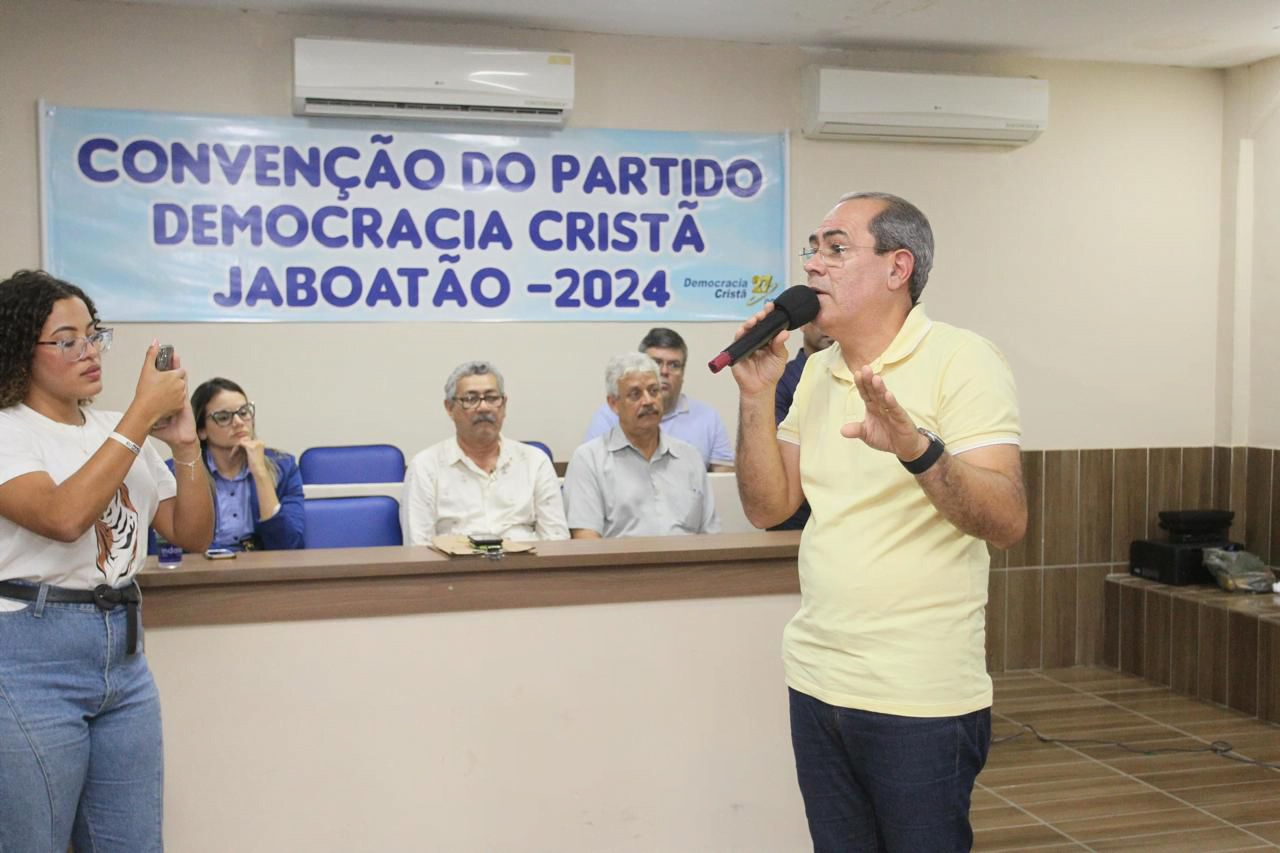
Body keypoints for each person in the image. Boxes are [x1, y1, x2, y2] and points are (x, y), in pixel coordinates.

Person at [731, 192, 1026, 851]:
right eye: (812, 249)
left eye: (836, 249)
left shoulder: (963, 358)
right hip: (817, 678)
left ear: (898, 268)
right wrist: (756, 395)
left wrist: (916, 449)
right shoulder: (815, 371)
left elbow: (1007, 520)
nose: (813, 265)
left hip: (918, 692)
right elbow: (768, 508)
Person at [0, 270, 214, 852]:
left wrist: (186, 445)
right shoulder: (11, 430)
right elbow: (62, 516)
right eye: (66, 340)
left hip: (123, 653)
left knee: (132, 842)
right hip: (29, 654)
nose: (89, 351)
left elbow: (191, 532)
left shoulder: (113, 429)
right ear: (20, 349)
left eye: (94, 335)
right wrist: (140, 416)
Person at [401, 361, 568, 544]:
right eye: (470, 399)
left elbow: (557, 540)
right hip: (454, 562)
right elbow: (418, 546)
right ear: (449, 408)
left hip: (525, 561)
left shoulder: (535, 462)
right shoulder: (425, 467)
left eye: (491, 398)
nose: (483, 407)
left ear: (504, 405)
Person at [565, 352, 720, 538]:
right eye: (635, 394)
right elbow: (586, 540)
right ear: (614, 404)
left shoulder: (690, 457)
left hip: (688, 557)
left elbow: (711, 534)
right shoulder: (589, 460)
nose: (648, 401)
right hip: (622, 557)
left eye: (654, 391)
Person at [582, 327, 734, 471]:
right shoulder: (608, 415)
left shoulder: (708, 418)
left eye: (674, 365)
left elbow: (723, 481)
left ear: (682, 373)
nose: (664, 371)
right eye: (656, 363)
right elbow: (591, 469)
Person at [190, 377, 305, 551]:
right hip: (206, 565)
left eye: (244, 412)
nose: (238, 422)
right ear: (201, 431)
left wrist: (260, 473)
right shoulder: (180, 473)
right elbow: (182, 546)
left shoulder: (283, 467)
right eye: (223, 417)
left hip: (265, 566)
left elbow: (289, 545)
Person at [770, 321, 833, 531]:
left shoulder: (855, 373)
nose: (828, 327)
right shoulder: (780, 377)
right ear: (803, 324)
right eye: (818, 319)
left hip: (841, 505)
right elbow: (775, 446)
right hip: (794, 512)